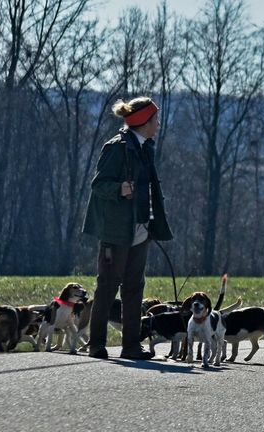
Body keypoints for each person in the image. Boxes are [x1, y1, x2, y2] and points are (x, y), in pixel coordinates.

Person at [81, 96, 173, 359]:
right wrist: (120, 188)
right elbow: (98, 185)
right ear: (143, 121)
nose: (158, 123)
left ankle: (131, 346)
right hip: (116, 232)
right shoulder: (116, 148)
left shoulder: (146, 148)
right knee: (108, 286)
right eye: (155, 119)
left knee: (134, 288)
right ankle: (96, 345)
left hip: (141, 229)